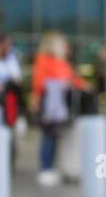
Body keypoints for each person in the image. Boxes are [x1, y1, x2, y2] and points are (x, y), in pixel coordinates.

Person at [31, 31, 86, 187]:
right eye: (62, 43)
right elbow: (39, 83)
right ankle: (46, 168)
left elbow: (75, 80)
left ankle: (59, 168)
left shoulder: (63, 62)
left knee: (60, 136)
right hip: (49, 105)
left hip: (63, 105)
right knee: (49, 136)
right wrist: (61, 82)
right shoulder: (44, 61)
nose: (65, 47)